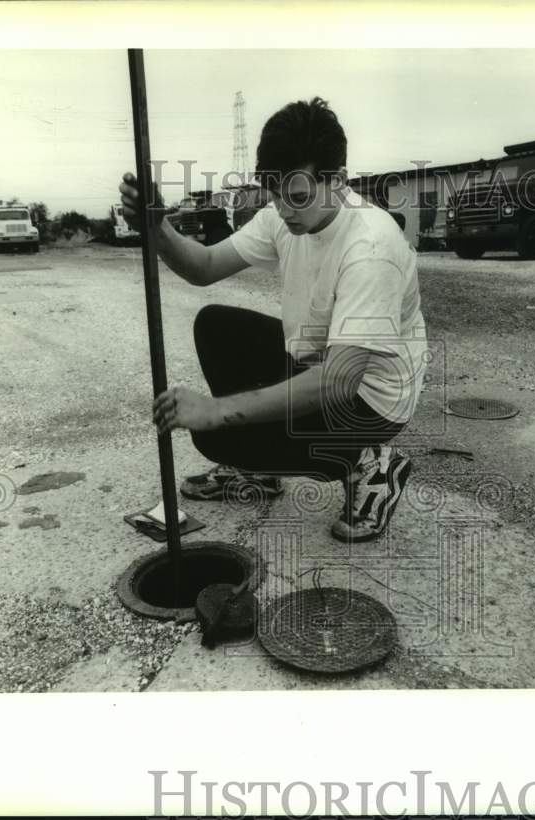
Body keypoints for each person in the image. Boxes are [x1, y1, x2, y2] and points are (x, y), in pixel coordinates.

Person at [119, 97, 427, 542]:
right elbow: (204, 267)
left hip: (370, 401)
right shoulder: (287, 210)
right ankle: (259, 472)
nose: (284, 210)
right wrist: (157, 226)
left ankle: (371, 463)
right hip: (318, 364)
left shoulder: (372, 247)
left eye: (297, 197)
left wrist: (216, 411)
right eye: (275, 194)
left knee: (218, 437)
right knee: (215, 326)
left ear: (337, 181)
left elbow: (339, 382)